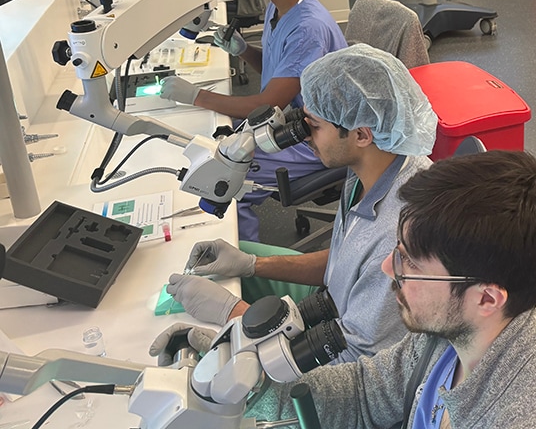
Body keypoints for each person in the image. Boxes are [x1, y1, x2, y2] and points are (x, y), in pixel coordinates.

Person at [154, 152, 536, 428]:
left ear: (487, 297)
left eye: (411, 262)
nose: (388, 268)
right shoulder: (459, 332)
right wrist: (249, 379)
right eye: (399, 249)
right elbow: (368, 392)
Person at [163, 45, 437, 362]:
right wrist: (252, 265)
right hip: (332, 301)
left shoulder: (398, 238)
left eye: (315, 126)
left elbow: (352, 366)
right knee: (228, 264)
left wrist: (233, 314)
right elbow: (346, 261)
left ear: (361, 134)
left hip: (349, 362)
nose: (305, 136)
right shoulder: (371, 166)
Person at [160, 0, 347, 241]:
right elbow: (283, 75)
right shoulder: (280, 7)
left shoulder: (307, 28)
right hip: (289, 119)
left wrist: (195, 96)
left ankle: (243, 268)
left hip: (316, 139)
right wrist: (244, 51)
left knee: (224, 177)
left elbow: (267, 103)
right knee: (207, 143)